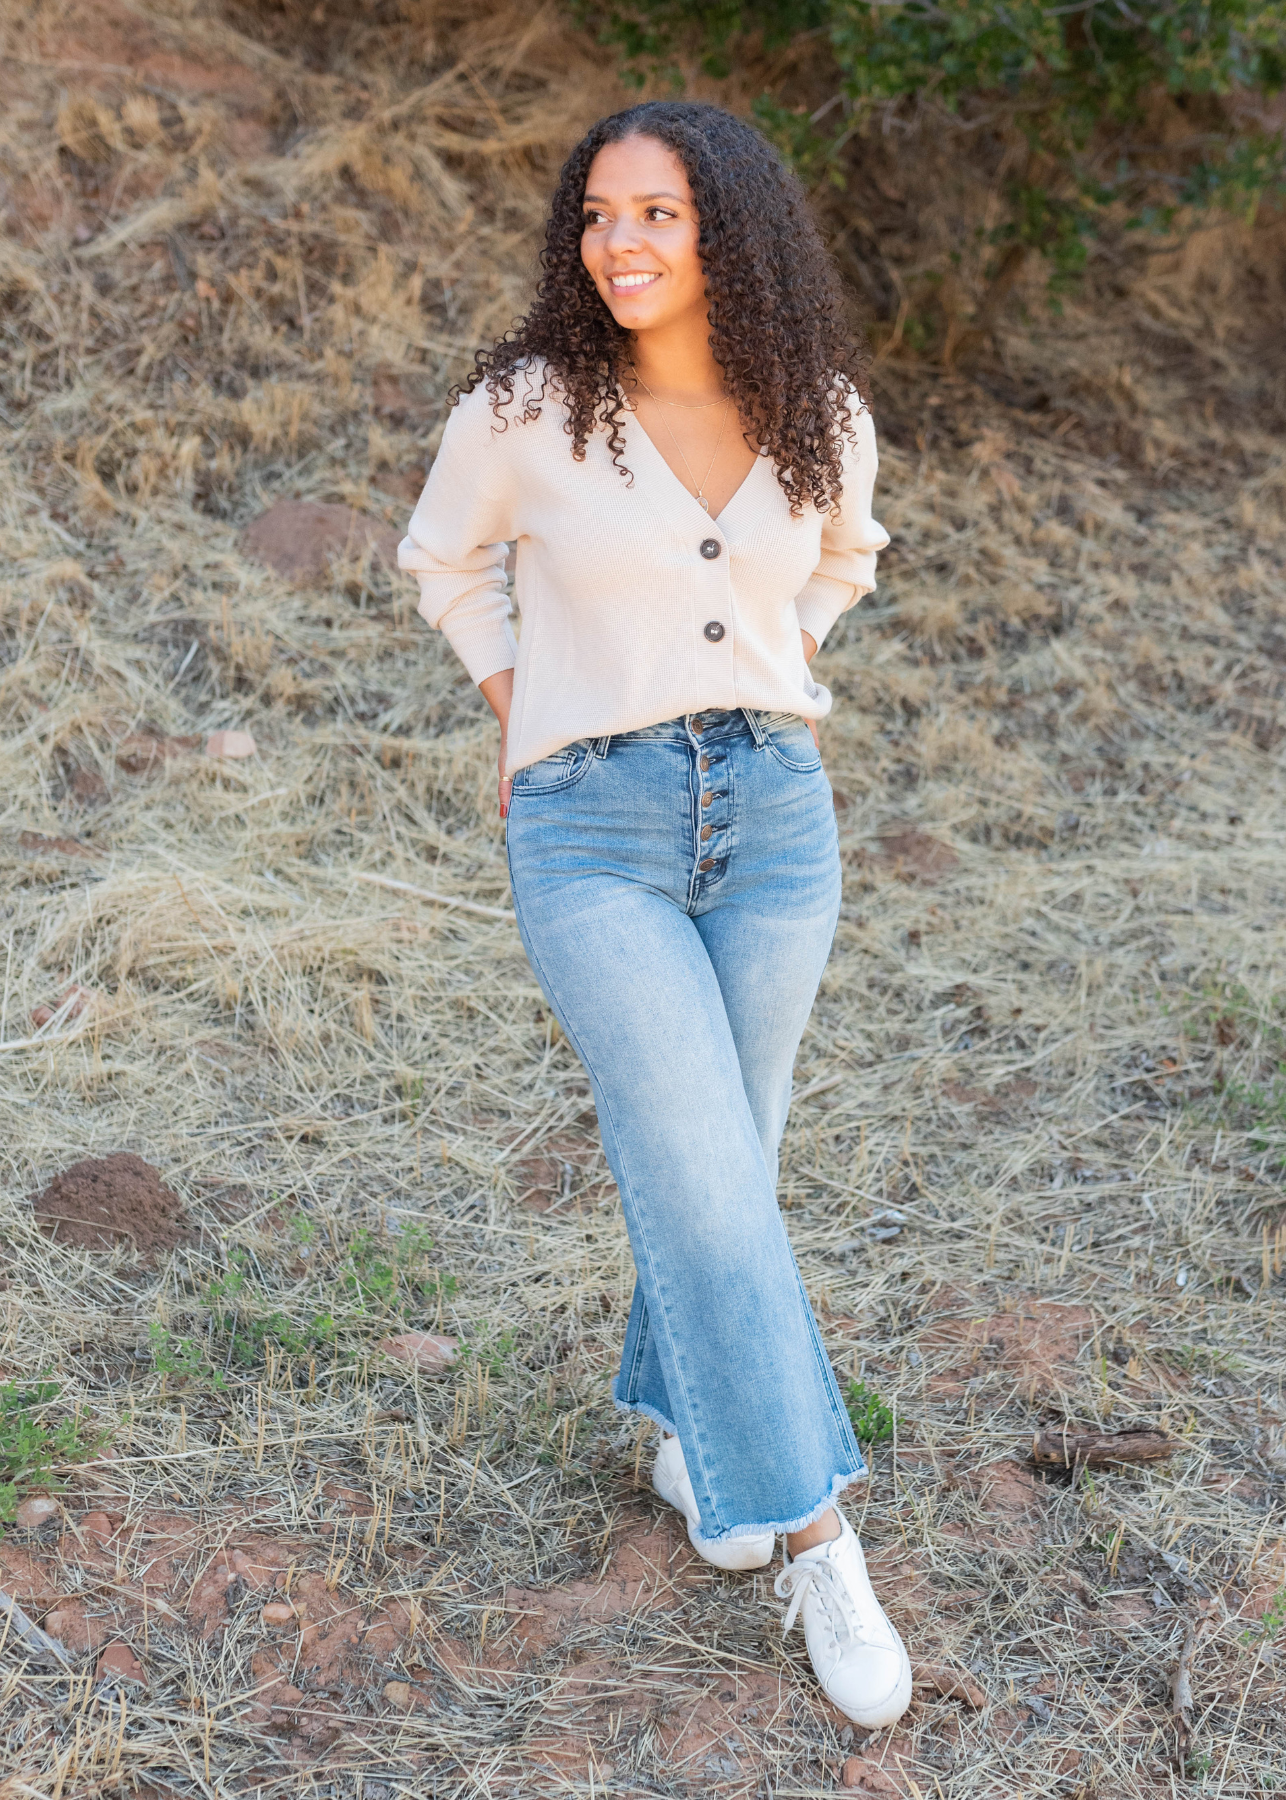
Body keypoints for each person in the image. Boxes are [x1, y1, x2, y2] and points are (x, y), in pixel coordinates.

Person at [398, 99, 909, 1729]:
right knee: (694, 1163)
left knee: (728, 1163)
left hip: (771, 818)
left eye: (658, 215)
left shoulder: (813, 408)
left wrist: (781, 664)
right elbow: (443, 559)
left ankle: (692, 1426)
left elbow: (845, 555)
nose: (619, 242)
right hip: (590, 829)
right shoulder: (526, 410)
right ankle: (815, 1530)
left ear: (728, 234)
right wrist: (514, 698)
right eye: (598, 214)